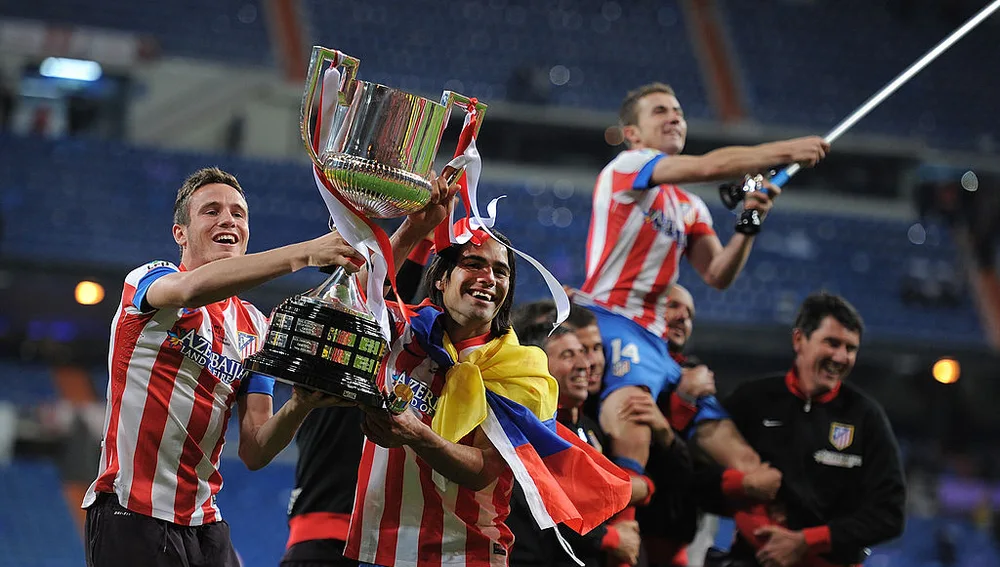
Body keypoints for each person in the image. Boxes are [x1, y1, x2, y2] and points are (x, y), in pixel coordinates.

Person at [81, 166, 404, 567]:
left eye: (238, 213)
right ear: (180, 233)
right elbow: (191, 288)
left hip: (205, 522)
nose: (228, 219)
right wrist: (304, 253)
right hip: (132, 512)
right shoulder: (149, 281)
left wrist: (300, 404)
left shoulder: (255, 326)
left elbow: (255, 448)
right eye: (211, 211)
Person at [577, 82, 830, 481]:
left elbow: (717, 274)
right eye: (660, 111)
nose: (675, 116)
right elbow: (710, 166)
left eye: (678, 111)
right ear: (633, 134)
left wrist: (749, 222)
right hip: (612, 316)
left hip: (658, 341)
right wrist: (785, 151)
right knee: (632, 411)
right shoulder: (626, 167)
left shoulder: (689, 206)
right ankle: (621, 524)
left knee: (746, 462)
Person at [343, 228, 631, 567]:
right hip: (379, 548)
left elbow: (484, 469)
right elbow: (350, 300)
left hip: (465, 554)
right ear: (442, 278)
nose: (488, 278)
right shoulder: (404, 331)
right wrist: (414, 227)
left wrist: (418, 436)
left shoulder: (521, 368)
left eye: (500, 271)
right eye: (474, 264)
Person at [718, 292, 906, 567]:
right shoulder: (752, 400)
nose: (841, 357)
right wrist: (742, 487)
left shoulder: (866, 417)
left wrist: (807, 541)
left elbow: (890, 514)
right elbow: (700, 476)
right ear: (799, 340)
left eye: (851, 348)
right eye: (832, 343)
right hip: (755, 559)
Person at [506, 323, 641, 567]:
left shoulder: (591, 427)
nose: (584, 364)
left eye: (583, 353)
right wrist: (608, 539)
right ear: (539, 366)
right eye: (568, 355)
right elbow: (543, 509)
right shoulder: (529, 431)